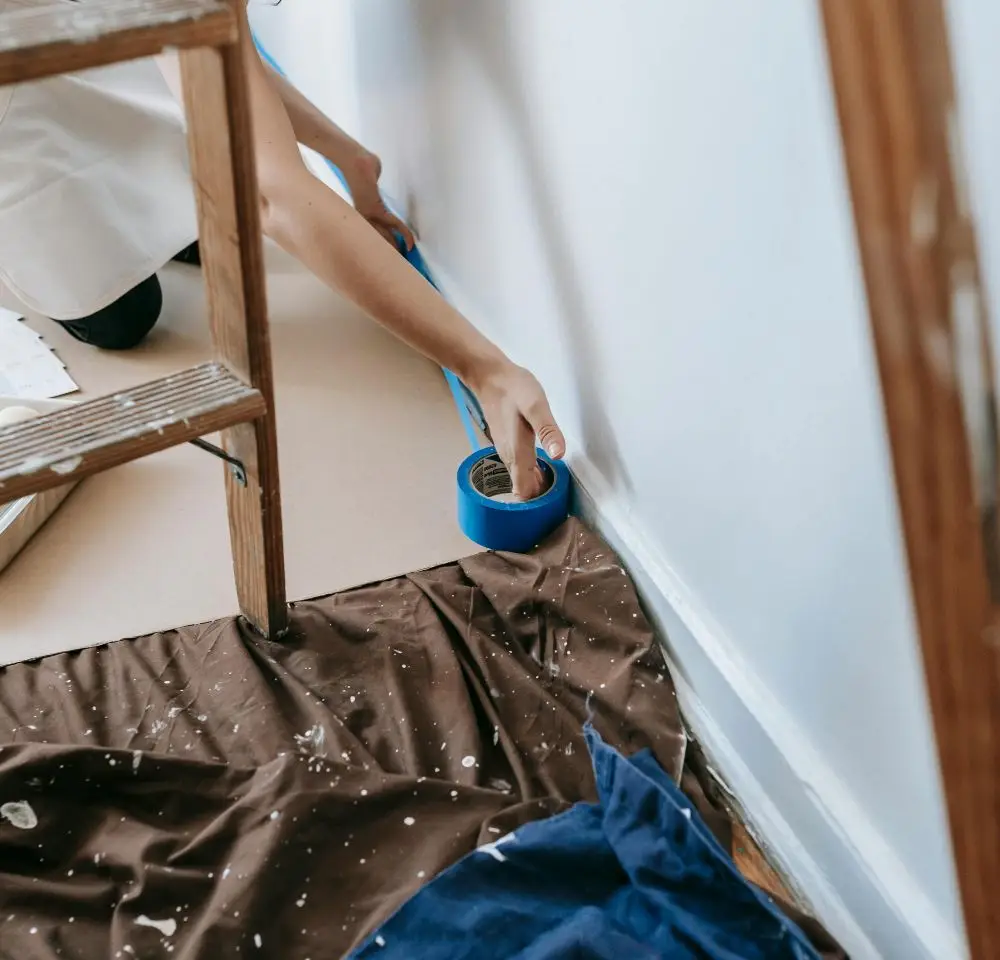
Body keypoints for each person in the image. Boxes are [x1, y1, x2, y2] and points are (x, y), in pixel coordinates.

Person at [0, 0, 563, 499]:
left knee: (207, 210)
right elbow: (274, 197)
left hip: (61, 30)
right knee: (124, 319)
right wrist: (484, 368)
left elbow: (226, 56)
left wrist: (349, 157)